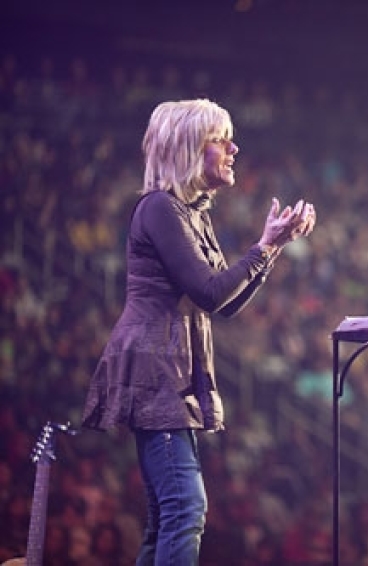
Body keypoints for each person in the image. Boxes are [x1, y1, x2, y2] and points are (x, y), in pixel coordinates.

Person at [80, 98, 316, 565]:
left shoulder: (191, 213)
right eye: (220, 140)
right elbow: (209, 293)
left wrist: (272, 248)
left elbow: (225, 304)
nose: (234, 149)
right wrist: (264, 246)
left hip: (170, 367)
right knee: (185, 507)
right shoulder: (159, 208)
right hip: (156, 369)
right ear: (189, 147)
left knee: (167, 516)